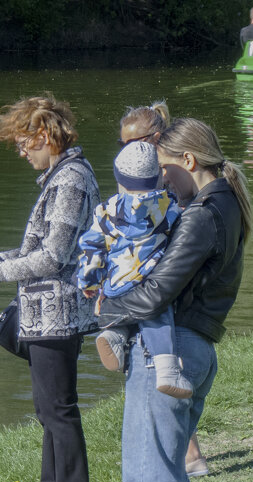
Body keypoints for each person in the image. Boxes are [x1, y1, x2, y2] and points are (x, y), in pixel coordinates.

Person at [98, 117, 253, 482]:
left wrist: (103, 305)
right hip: (197, 349)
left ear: (188, 161)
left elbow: (158, 291)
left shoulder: (202, 215)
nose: (161, 182)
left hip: (171, 352)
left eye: (165, 170)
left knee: (148, 477)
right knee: (170, 475)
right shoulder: (223, 205)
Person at [0, 96, 101, 482]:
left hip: (57, 313)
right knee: (47, 412)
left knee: (60, 412)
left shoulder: (71, 180)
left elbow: (55, 257)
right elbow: (35, 253)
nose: (21, 152)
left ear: (45, 136)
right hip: (44, 313)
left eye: (24, 144)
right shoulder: (58, 178)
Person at [118, 103, 209, 476]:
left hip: (165, 284)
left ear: (155, 138)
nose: (126, 149)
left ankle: (186, 455)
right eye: (122, 143)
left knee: (162, 359)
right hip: (146, 278)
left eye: (135, 141)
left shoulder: (172, 176)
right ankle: (186, 454)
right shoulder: (139, 169)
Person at [78, 141, 190, 398]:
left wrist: (89, 282)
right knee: (157, 315)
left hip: (116, 281)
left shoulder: (106, 211)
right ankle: (167, 369)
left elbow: (92, 247)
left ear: (119, 178)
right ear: (158, 177)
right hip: (150, 277)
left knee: (124, 311)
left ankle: (114, 337)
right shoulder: (168, 207)